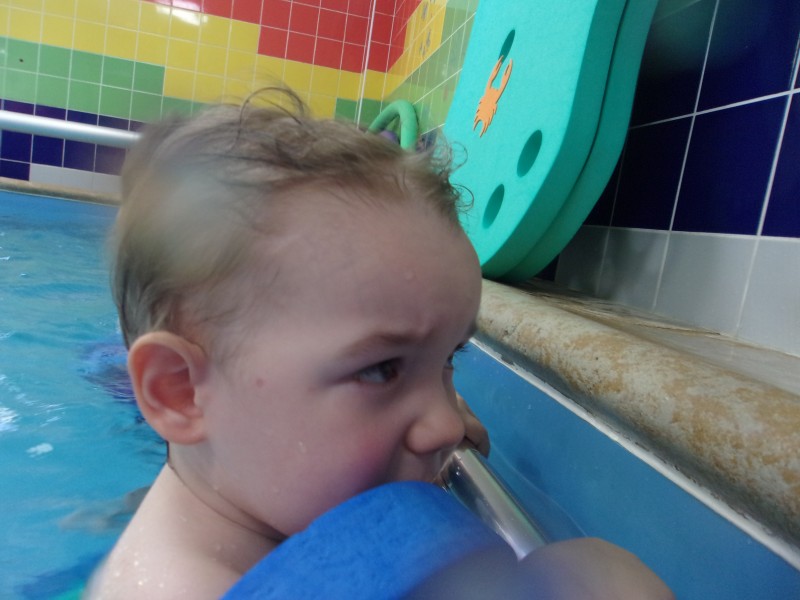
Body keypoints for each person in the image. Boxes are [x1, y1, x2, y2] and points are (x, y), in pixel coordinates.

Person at [86, 90, 672, 599]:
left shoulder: (255, 487)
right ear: (181, 391)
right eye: (381, 369)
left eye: (447, 360)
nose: (446, 425)